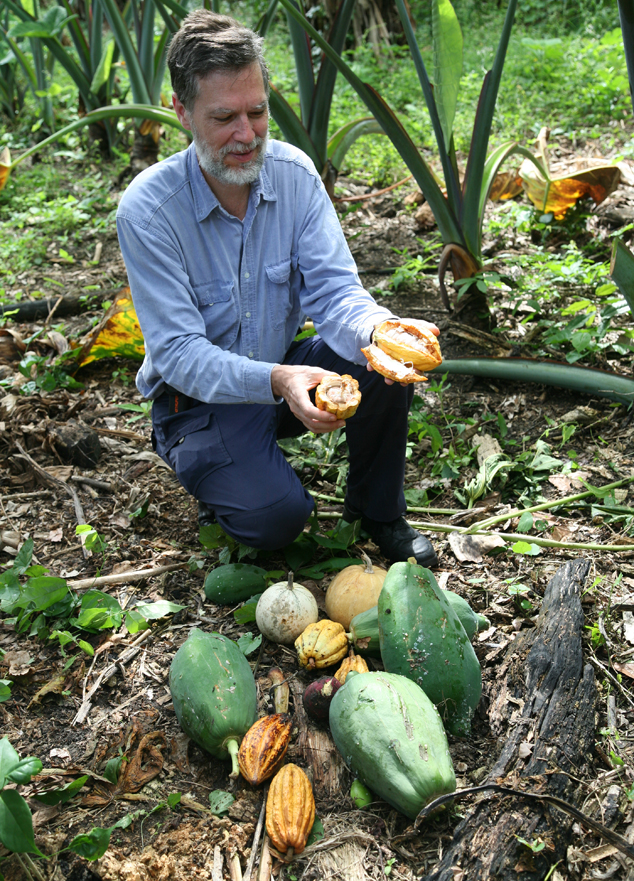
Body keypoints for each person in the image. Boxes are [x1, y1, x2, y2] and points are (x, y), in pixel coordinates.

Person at [116, 9, 439, 567]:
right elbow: (178, 354)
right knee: (277, 520)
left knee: (382, 358)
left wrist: (379, 327)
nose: (247, 135)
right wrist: (279, 380)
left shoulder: (295, 175)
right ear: (182, 112)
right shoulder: (149, 211)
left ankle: (377, 511)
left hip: (280, 367)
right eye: (224, 118)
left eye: (257, 111)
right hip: (195, 400)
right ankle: (215, 472)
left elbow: (336, 293)